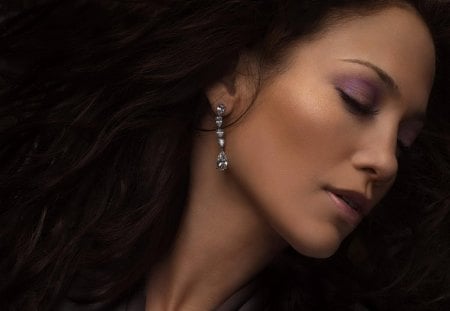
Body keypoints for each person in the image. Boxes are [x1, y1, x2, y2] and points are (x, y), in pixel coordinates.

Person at [0, 0, 449, 310]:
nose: (386, 161)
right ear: (230, 79)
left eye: (403, 142)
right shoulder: (32, 254)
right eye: (357, 99)